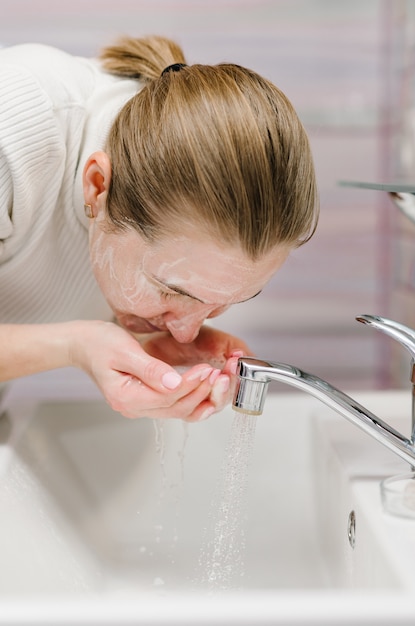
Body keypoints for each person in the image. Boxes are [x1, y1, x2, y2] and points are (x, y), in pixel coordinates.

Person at [0, 35, 318, 421]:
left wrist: (147, 341)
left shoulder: (161, 158)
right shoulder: (15, 125)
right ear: (98, 186)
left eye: (222, 303)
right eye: (170, 289)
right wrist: (74, 346)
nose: (186, 332)